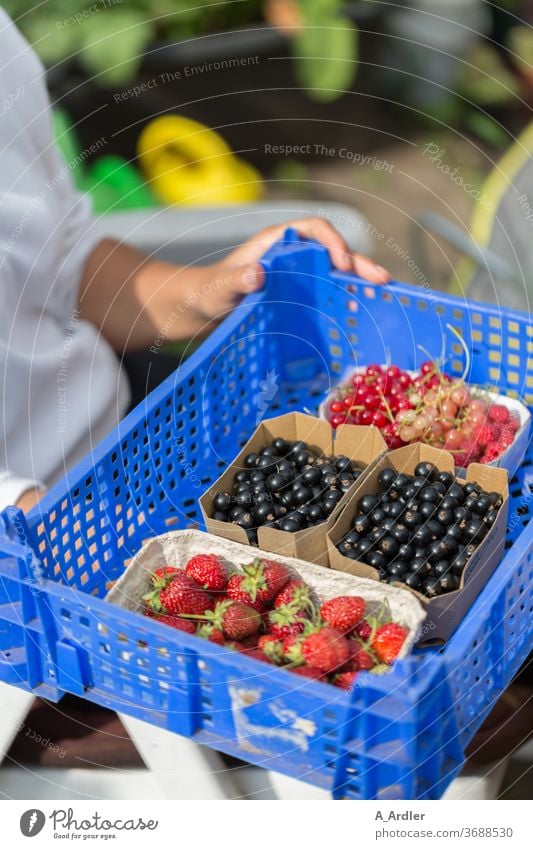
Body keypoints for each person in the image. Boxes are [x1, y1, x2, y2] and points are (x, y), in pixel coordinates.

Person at [0, 8, 389, 518]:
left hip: (122, 434)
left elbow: (62, 263)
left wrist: (210, 287)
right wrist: (32, 520)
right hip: (37, 536)